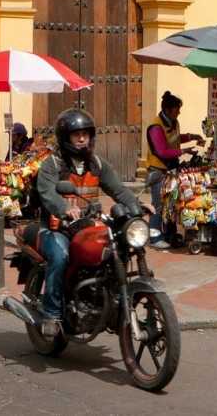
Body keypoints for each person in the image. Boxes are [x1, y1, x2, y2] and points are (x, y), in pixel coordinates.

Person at [35, 107, 142, 339]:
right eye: (76, 134)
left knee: (115, 249)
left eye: (85, 133)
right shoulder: (52, 165)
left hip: (87, 226)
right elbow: (47, 194)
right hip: (56, 228)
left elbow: (118, 189)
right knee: (60, 257)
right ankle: (52, 314)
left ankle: (103, 300)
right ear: (66, 137)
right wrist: (64, 209)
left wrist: (137, 206)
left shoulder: (97, 164)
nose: (82, 138)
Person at [144, 91, 202, 250]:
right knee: (158, 204)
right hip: (158, 171)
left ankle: (170, 234)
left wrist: (191, 136)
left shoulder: (174, 122)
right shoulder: (155, 127)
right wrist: (183, 152)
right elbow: (161, 150)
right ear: (168, 110)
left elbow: (175, 138)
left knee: (171, 204)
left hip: (171, 170)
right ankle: (155, 238)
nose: (179, 112)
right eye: (177, 109)